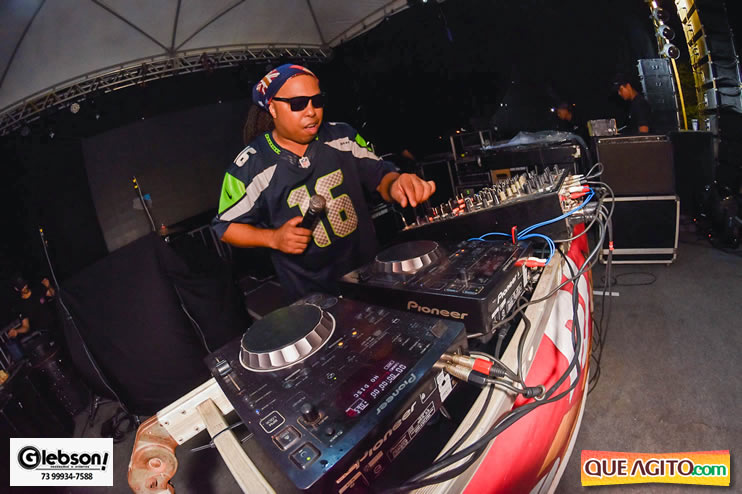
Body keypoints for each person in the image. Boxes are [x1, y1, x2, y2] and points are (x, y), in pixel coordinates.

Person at [212, 64, 436, 301]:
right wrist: (273, 238)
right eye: (298, 103)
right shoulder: (250, 166)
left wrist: (398, 184)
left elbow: (381, 177)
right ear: (272, 108)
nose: (311, 111)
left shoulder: (343, 137)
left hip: (370, 276)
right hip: (312, 295)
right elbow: (225, 227)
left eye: (316, 101)